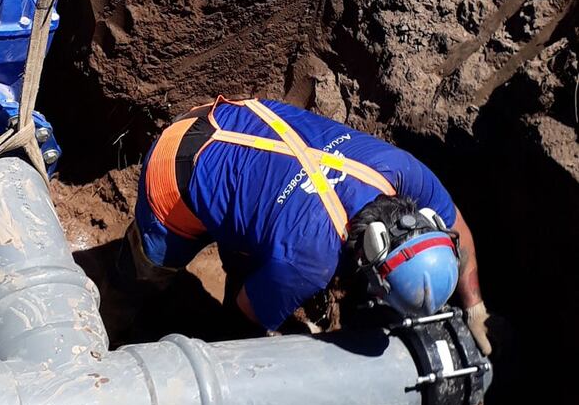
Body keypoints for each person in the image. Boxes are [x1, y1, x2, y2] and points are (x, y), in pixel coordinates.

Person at [117, 96, 494, 354]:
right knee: (149, 270)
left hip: (238, 117)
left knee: (263, 240)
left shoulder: (402, 170)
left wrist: (474, 307)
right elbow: (243, 316)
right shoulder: (308, 261)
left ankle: (245, 251)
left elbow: (462, 233)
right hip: (175, 167)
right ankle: (122, 314)